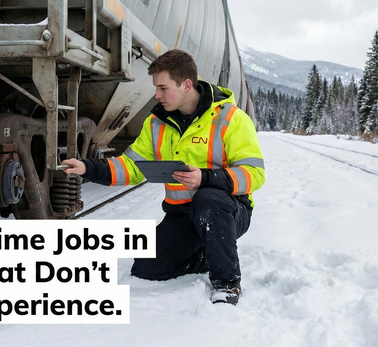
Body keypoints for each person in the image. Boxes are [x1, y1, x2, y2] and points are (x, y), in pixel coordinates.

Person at [62, 49, 265, 305]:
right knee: (147, 269)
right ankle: (209, 252)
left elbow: (255, 174)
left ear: (186, 84)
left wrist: (204, 178)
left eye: (162, 87)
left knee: (208, 198)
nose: (157, 95)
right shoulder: (156, 123)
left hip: (229, 211)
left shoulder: (231, 119)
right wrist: (87, 168)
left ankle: (227, 283)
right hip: (182, 215)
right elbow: (131, 166)